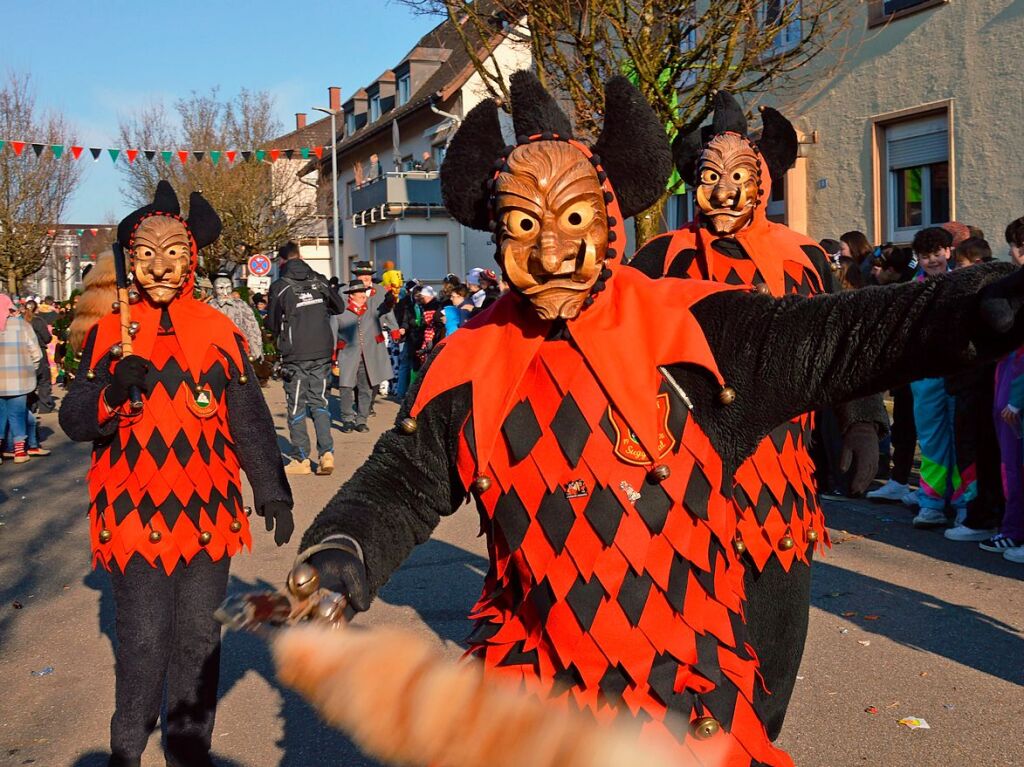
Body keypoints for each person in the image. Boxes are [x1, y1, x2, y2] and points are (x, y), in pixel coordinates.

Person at [289, 71, 1024, 767]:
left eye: (573, 218)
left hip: (685, 693)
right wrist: (342, 552)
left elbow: (845, 333)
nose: (550, 250)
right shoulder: (468, 361)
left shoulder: (701, 330)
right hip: (533, 685)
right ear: (495, 231)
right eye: (523, 224)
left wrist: (975, 307)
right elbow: (403, 481)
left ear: (607, 218)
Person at [628, 91, 887, 736]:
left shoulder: (803, 257)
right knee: (682, 634)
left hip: (779, 482)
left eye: (738, 176)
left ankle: (758, 737)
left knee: (773, 635)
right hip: (680, 479)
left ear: (763, 181)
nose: (723, 192)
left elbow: (843, 346)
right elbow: (618, 352)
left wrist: (861, 421)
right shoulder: (657, 260)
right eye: (710, 178)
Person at [58, 182, 293, 767]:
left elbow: (247, 415)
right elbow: (74, 417)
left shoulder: (218, 332)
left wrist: (271, 487)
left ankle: (189, 747)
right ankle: (127, 746)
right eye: (147, 254)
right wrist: (110, 391)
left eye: (173, 252)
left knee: (197, 638)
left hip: (209, 513)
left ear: (191, 257)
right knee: (142, 642)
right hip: (132, 514)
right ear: (130, 263)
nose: (161, 266)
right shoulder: (108, 335)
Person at [268, 240, 345, 476]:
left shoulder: (280, 286)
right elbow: (339, 307)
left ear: (282, 260)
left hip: (296, 354)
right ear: (300, 256)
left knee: (296, 407)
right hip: (322, 352)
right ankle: (326, 454)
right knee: (320, 402)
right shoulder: (320, 280)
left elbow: (271, 323)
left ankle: (301, 458)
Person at [906, 225, 965, 526]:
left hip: (959, 373)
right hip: (926, 375)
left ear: (949, 252)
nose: (932, 260)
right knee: (931, 440)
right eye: (925, 255)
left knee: (962, 438)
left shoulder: (964, 282)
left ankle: (965, 503)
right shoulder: (911, 290)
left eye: (937, 254)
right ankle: (931, 503)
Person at [867, 246, 921, 502]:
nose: (874, 271)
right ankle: (899, 480)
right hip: (903, 372)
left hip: (915, 372)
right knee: (903, 427)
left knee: (915, 429)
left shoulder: (909, 289)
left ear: (892, 270)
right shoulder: (903, 286)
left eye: (879, 267)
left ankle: (914, 484)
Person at [335, 279, 399, 433]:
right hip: (348, 356)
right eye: (360, 292)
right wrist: (333, 358)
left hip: (368, 357)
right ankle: (347, 419)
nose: (364, 295)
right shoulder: (340, 313)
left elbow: (385, 307)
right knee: (345, 388)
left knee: (366, 389)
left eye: (364, 292)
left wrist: (391, 296)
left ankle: (361, 420)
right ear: (351, 296)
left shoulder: (371, 308)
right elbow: (332, 335)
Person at [0, 293, 41, 464]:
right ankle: (19, 452)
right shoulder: (22, 326)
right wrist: (32, 368)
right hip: (19, 379)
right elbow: (36, 353)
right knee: (18, 414)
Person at [209, 275, 263, 361]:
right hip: (218, 352)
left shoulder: (241, 306)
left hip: (240, 349)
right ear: (215, 290)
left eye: (228, 288)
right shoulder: (210, 307)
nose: (225, 292)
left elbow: (252, 328)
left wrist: (255, 349)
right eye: (221, 288)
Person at [403, 284, 446, 382]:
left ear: (428, 296)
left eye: (423, 297)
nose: (421, 299)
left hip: (431, 336)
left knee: (425, 363)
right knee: (418, 363)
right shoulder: (423, 305)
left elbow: (432, 323)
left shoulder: (435, 305)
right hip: (423, 337)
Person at [23, 299, 55, 413]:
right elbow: (47, 337)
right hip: (39, 351)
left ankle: (31, 405)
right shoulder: (38, 321)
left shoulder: (21, 321)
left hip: (24, 353)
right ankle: (45, 406)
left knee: (29, 380)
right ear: (36, 308)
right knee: (43, 379)